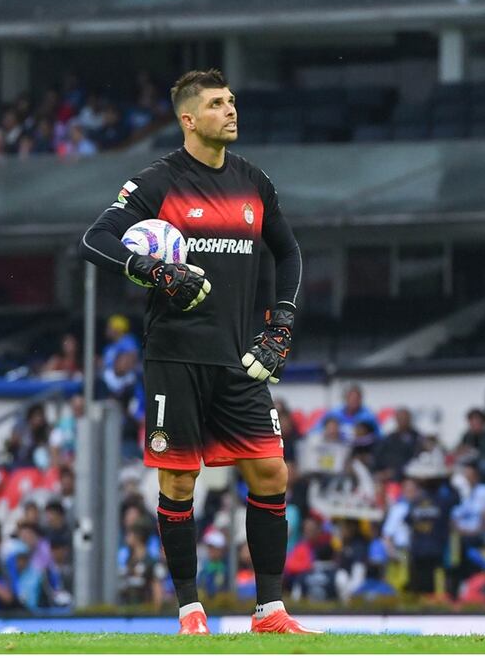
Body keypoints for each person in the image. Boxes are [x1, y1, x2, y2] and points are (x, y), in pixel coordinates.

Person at [80, 69, 313, 635]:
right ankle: (190, 611)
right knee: (179, 484)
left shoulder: (255, 181)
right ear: (189, 119)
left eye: (231, 101)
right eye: (216, 104)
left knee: (270, 471)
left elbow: (288, 253)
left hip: (241, 359)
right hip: (175, 357)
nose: (230, 110)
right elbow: (95, 239)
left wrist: (280, 324)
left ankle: (270, 611)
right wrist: (153, 270)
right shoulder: (158, 183)